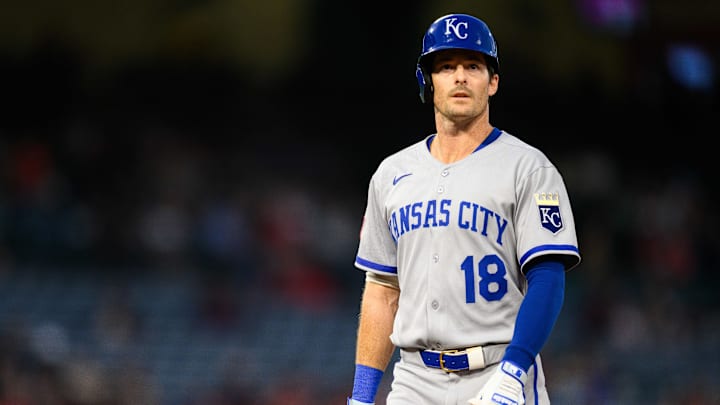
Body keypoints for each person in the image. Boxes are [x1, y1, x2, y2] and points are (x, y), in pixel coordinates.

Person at [347, 13, 581, 405]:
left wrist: (514, 371)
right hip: (414, 381)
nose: (459, 77)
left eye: (473, 66)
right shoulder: (391, 174)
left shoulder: (529, 168)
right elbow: (383, 291)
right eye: (446, 66)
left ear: (492, 82)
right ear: (428, 82)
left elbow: (548, 278)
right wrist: (361, 396)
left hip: (497, 370)